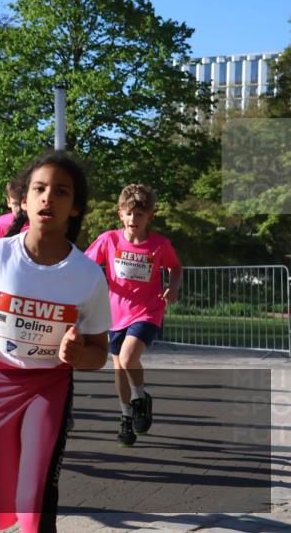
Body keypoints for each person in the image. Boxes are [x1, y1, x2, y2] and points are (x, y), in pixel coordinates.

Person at [0, 151, 111, 533]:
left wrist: (79, 353)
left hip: (49, 387)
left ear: (75, 208)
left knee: (35, 504)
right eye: (39, 189)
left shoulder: (87, 274)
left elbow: (99, 353)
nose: (47, 198)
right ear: (24, 199)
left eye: (61, 192)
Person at [85, 184, 181, 446]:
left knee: (128, 358)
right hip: (115, 313)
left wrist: (173, 287)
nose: (133, 220)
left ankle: (141, 398)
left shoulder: (160, 245)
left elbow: (175, 267)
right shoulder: (109, 240)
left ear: (149, 216)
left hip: (148, 311)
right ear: (120, 214)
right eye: (129, 213)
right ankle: (127, 417)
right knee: (118, 368)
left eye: (139, 215)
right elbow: (86, 265)